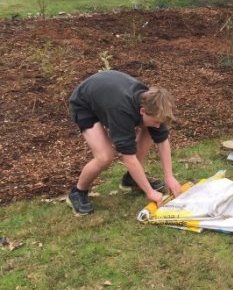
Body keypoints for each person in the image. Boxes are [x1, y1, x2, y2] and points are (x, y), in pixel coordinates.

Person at [66, 70, 182, 215]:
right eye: (157, 121)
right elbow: (128, 157)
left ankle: (131, 179)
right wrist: (150, 192)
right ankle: (78, 192)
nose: (159, 125)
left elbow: (162, 141)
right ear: (142, 111)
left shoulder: (153, 103)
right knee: (105, 156)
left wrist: (169, 177)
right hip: (84, 104)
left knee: (150, 130)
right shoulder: (121, 111)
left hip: (107, 95)